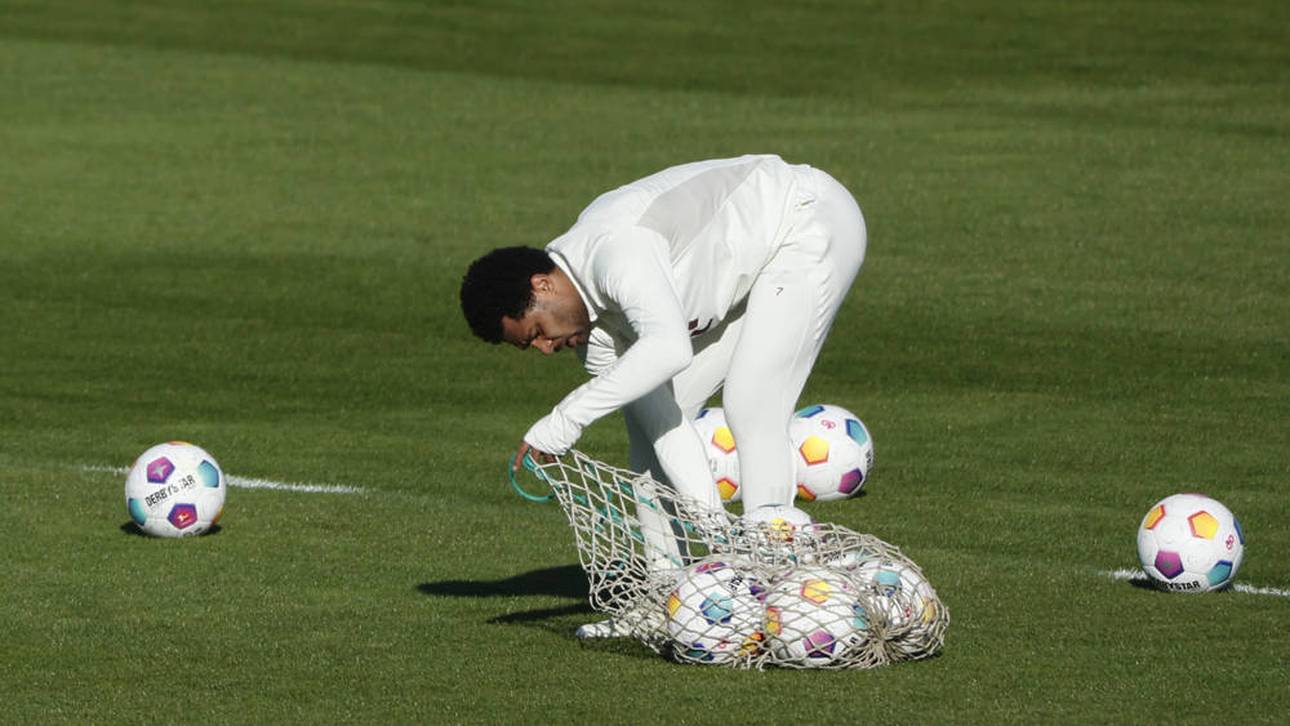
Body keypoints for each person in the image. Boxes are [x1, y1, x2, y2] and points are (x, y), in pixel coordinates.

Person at [459, 153, 867, 596]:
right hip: (746, 277)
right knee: (647, 431)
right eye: (529, 345)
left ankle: (773, 581)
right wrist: (716, 532)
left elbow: (669, 348)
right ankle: (665, 590)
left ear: (543, 285)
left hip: (808, 220)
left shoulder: (616, 250)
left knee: (752, 403)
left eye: (537, 332)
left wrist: (564, 420)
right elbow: (664, 425)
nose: (543, 348)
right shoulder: (590, 334)